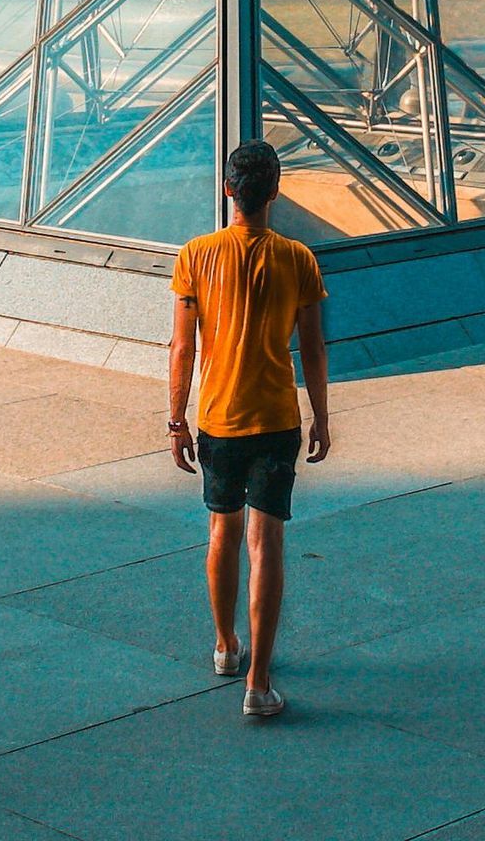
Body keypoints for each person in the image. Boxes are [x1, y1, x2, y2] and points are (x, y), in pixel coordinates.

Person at [168, 140, 331, 721]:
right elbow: (311, 348)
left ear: (229, 189)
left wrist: (175, 419)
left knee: (222, 534)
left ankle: (224, 646)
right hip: (276, 420)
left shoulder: (196, 255)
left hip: (216, 417)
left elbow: (183, 345)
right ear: (277, 191)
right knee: (267, 546)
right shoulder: (299, 259)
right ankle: (259, 685)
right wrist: (322, 416)